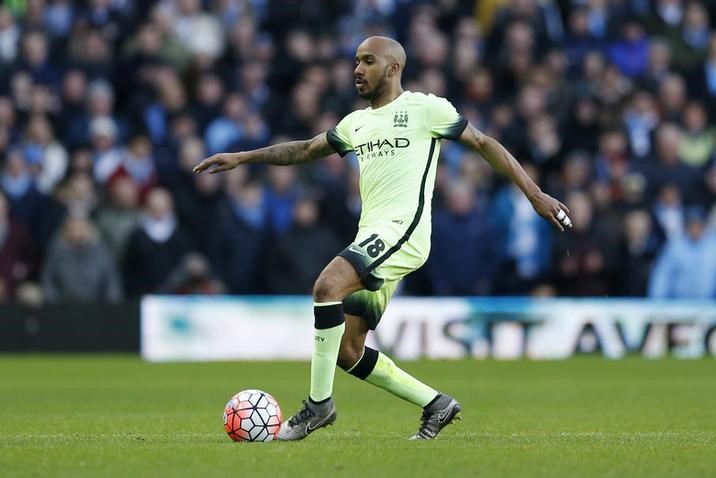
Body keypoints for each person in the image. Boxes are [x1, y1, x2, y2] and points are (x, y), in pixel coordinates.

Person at [193, 36, 572, 441]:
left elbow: (483, 142)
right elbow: (304, 150)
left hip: (403, 232)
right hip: (373, 235)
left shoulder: (425, 108)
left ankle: (319, 407)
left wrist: (535, 194)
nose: (357, 69)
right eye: (355, 61)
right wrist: (243, 157)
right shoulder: (356, 123)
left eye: (367, 61)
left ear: (392, 68)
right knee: (347, 351)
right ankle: (436, 404)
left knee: (326, 286)